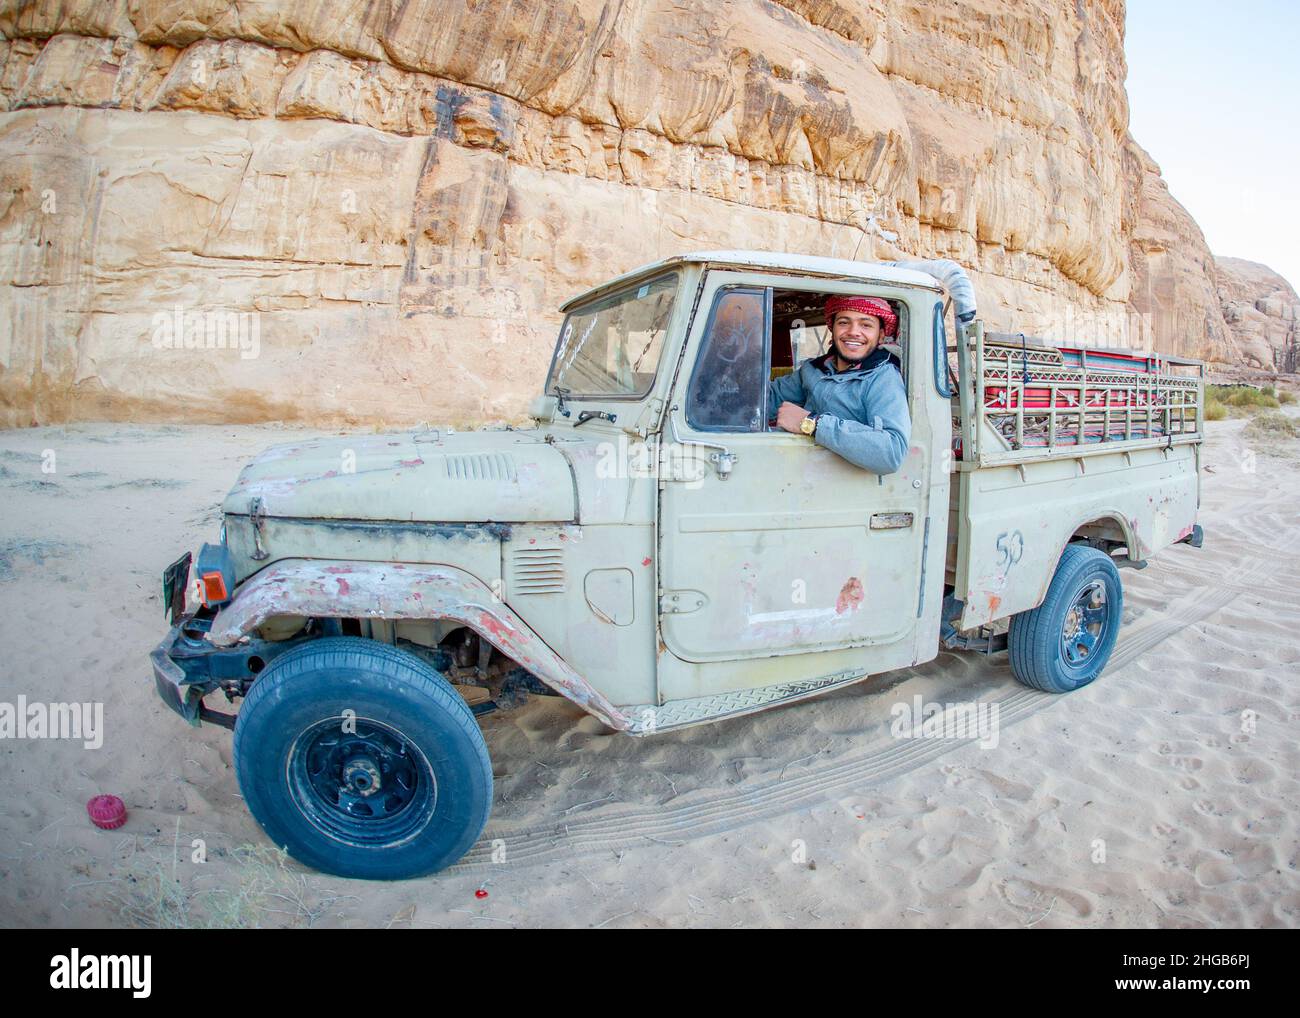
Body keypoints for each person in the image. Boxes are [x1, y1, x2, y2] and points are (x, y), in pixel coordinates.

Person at [768, 295, 910, 473]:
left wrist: (811, 423)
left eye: (866, 325)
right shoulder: (814, 369)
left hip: (845, 489)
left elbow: (891, 453)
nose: (853, 331)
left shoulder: (882, 377)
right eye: (844, 322)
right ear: (832, 329)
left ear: (881, 335)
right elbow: (768, 398)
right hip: (798, 475)